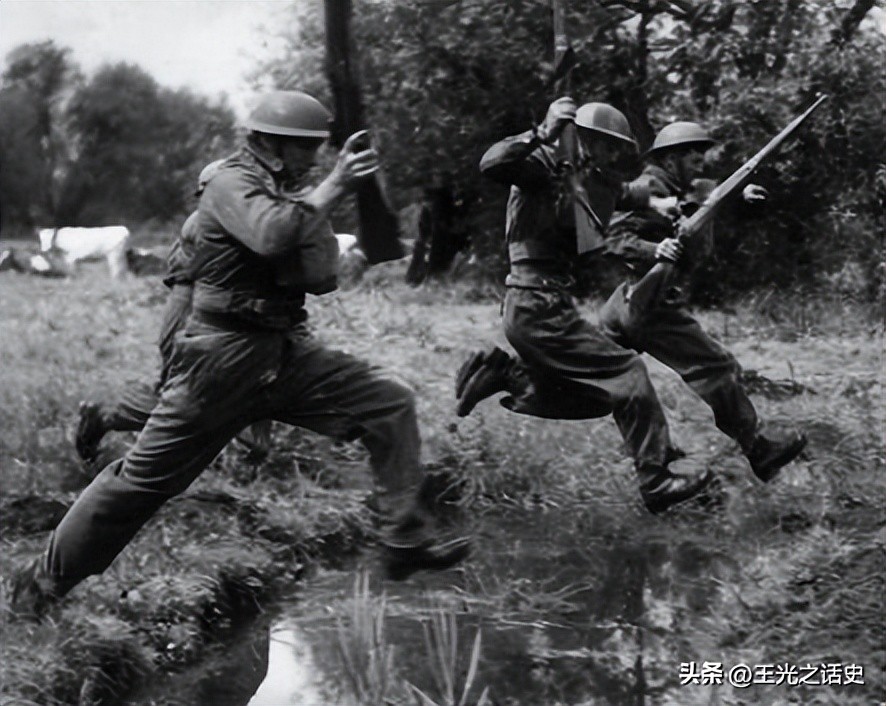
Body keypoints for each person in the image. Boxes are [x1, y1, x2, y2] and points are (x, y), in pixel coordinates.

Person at [11, 90, 469, 619]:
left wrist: (327, 213)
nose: (315, 159)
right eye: (306, 147)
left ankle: (403, 537)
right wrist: (332, 188)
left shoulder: (288, 195)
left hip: (283, 352)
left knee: (389, 401)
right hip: (220, 358)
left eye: (318, 148)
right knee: (142, 482)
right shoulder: (230, 182)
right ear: (271, 143)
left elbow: (320, 276)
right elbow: (271, 236)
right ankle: (40, 584)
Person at [455, 97, 712, 515]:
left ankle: (506, 375)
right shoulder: (541, 167)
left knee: (596, 396)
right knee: (628, 373)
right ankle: (656, 479)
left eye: (616, 149)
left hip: (541, 306)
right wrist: (542, 132)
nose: (612, 157)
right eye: (608, 146)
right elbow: (492, 163)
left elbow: (618, 193)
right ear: (585, 140)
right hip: (536, 304)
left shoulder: (583, 178)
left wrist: (656, 203)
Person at [597, 121, 807, 482]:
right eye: (694, 159)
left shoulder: (683, 187)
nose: (700, 165)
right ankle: (758, 449)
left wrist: (743, 194)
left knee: (607, 380)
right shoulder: (648, 188)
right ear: (671, 160)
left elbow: (709, 197)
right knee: (717, 367)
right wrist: (654, 249)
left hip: (626, 304)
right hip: (648, 304)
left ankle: (655, 457)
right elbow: (612, 238)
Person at [75, 161, 271, 463]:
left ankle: (245, 453)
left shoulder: (234, 225)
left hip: (219, 322)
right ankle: (106, 414)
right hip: (193, 317)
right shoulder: (207, 226)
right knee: (187, 406)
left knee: (234, 397)